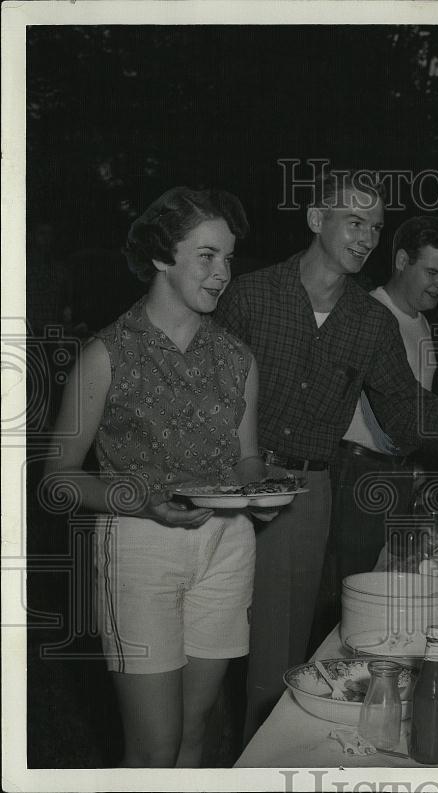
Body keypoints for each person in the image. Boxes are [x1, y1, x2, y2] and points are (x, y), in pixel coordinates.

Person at [214, 170, 438, 741]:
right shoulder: (249, 295)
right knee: (202, 653)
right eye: (353, 221)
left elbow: (406, 413)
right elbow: (208, 394)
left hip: (305, 495)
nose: (365, 238)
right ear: (314, 219)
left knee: (276, 659)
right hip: (226, 484)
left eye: (375, 227)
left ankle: (259, 759)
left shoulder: (370, 322)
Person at [43, 187, 268, 767]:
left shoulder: (239, 359)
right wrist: (143, 501)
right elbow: (58, 479)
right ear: (162, 258)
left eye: (228, 259)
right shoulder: (106, 354)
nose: (222, 273)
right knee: (153, 747)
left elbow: (245, 458)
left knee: (197, 734)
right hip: (139, 546)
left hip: (226, 546)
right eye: (206, 256)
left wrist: (261, 486)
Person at [310, 214, 438, 645]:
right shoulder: (368, 313)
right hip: (353, 472)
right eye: (431, 272)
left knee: (387, 596)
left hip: (396, 475)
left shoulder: (423, 325)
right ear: (400, 261)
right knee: (344, 600)